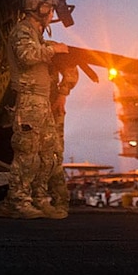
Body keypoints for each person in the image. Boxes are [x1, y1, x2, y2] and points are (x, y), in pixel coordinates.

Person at [0, 0, 68, 220]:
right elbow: (27, 56)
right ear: (40, 9)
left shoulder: (37, 34)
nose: (52, 13)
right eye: (50, 8)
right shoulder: (22, 31)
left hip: (42, 101)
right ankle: (17, 201)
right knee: (27, 154)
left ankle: (38, 198)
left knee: (48, 153)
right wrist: (53, 50)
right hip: (30, 100)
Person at [45, 55, 80, 219]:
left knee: (53, 155)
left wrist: (62, 95)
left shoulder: (50, 49)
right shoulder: (21, 46)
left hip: (52, 109)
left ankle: (60, 202)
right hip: (30, 110)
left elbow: (71, 70)